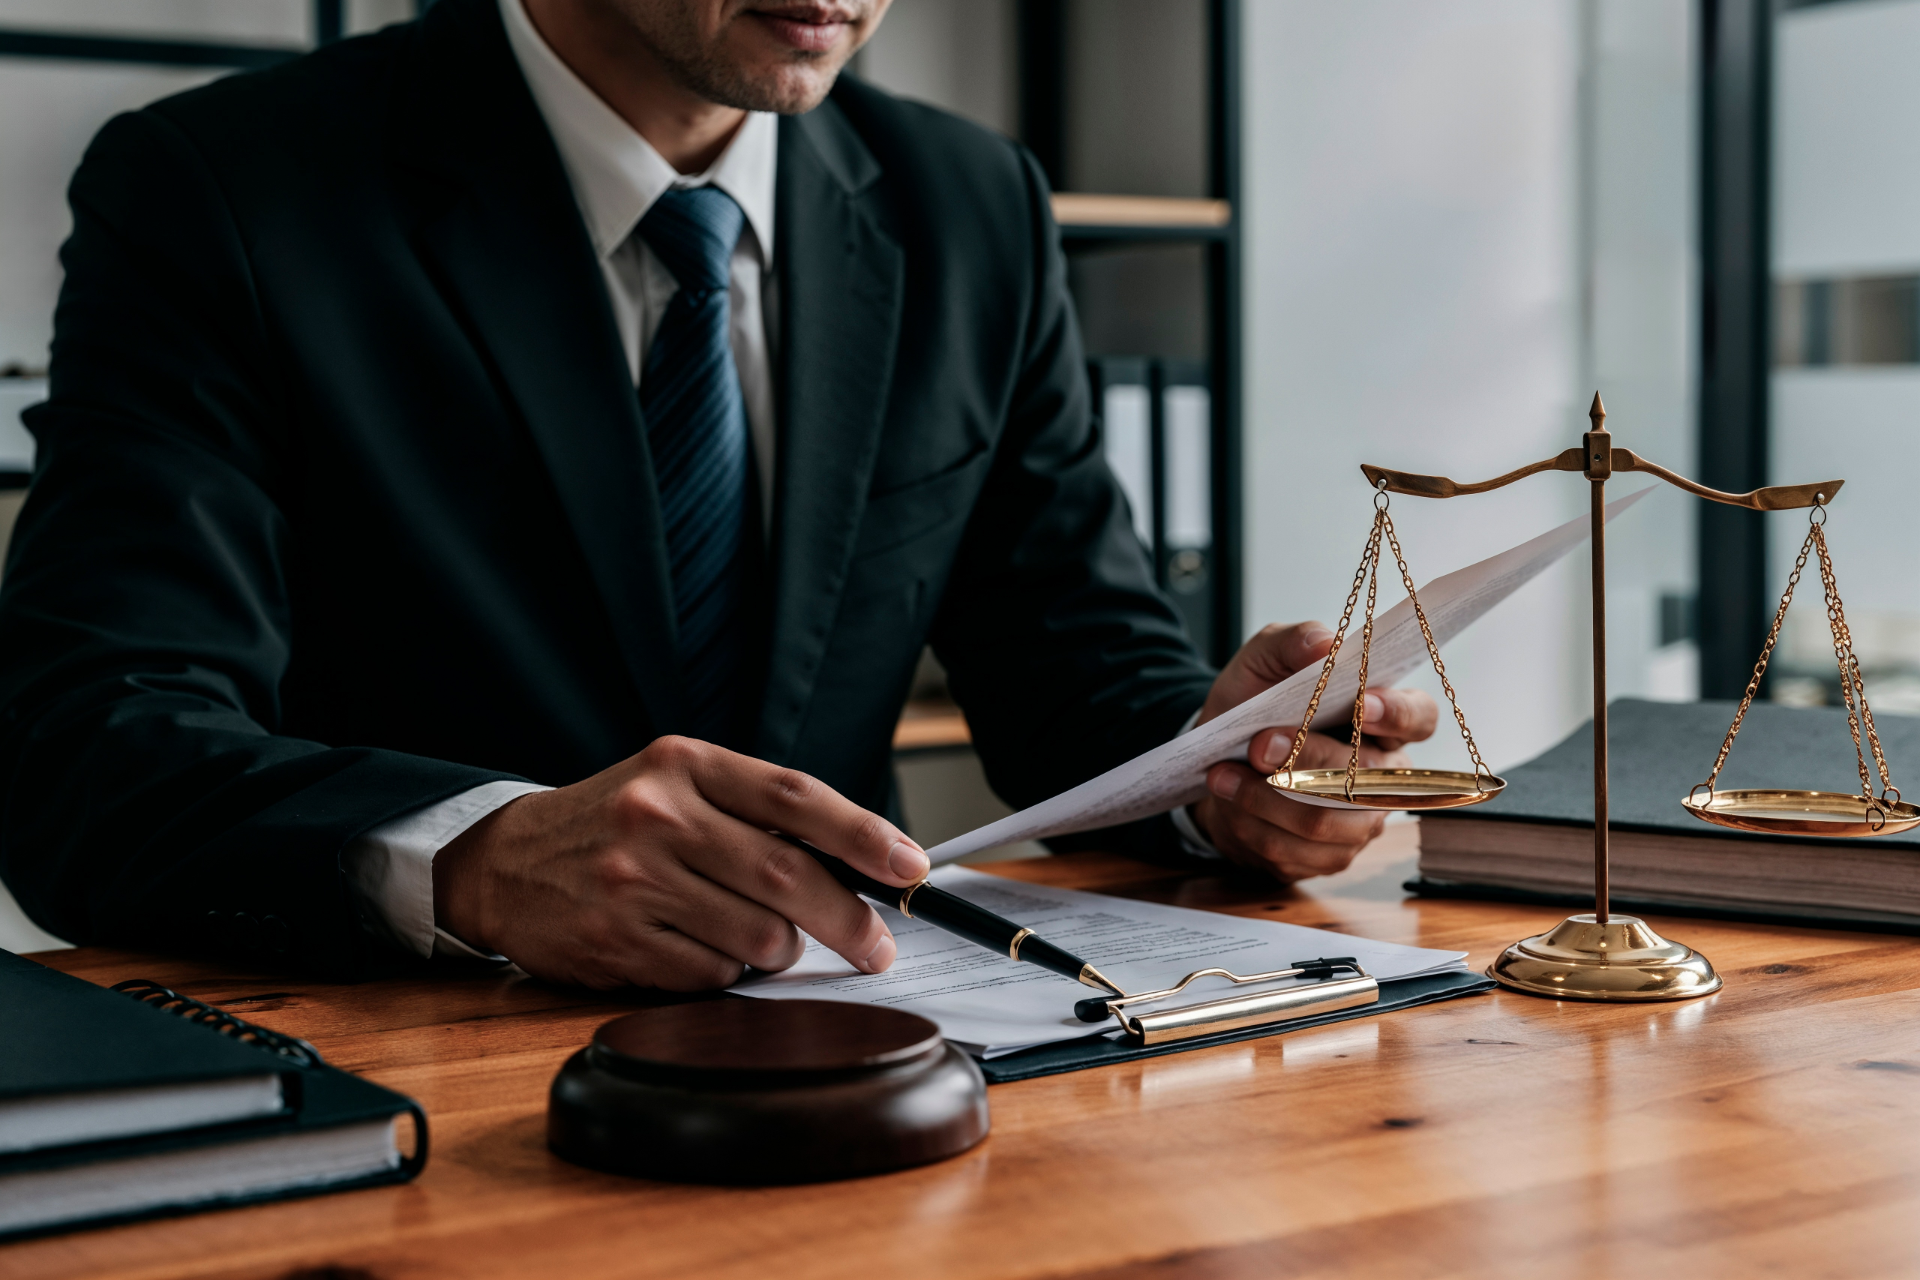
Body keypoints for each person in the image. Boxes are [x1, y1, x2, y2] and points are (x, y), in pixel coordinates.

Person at [0, 0, 1436, 989]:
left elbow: (1075, 673)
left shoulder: (969, 205)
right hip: (413, 1080)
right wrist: (478, 859)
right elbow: (91, 759)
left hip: (886, 1056)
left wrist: (1224, 774)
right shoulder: (222, 191)